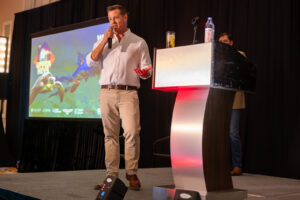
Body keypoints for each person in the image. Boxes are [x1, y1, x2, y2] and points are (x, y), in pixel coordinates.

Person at [86, 4, 152, 190]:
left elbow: (147, 68)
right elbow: (91, 61)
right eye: (110, 19)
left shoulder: (138, 42)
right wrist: (105, 39)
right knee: (110, 135)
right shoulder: (104, 41)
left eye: (115, 18)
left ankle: (131, 173)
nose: (112, 22)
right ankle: (111, 177)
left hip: (128, 92)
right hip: (106, 92)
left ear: (125, 18)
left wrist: (145, 73)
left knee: (132, 132)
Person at [218, 33, 246, 176]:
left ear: (231, 42)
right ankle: (220, 165)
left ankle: (237, 165)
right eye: (220, 42)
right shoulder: (217, 57)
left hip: (235, 101)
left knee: (232, 133)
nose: (222, 43)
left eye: (225, 41)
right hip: (219, 101)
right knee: (219, 134)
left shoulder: (240, 54)